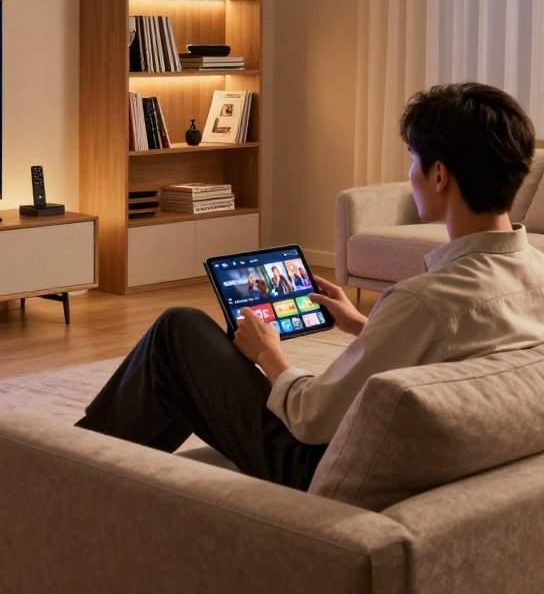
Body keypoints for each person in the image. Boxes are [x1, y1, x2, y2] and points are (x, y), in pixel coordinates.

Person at [67, 83, 544, 491]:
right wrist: (366, 326)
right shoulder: (535, 273)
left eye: (413, 160)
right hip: (432, 468)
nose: (410, 174)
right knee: (180, 371)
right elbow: (467, 349)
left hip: (309, 468)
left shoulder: (424, 301)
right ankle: (102, 472)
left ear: (439, 175)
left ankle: (64, 464)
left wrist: (269, 355)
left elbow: (312, 417)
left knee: (178, 332)